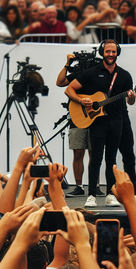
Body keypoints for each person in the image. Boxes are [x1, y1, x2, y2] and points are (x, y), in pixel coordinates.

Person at [64, 39, 135, 207]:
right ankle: (91, 195)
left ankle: (111, 194)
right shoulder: (92, 72)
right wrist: (82, 101)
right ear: (102, 52)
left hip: (117, 120)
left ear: (117, 52)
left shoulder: (124, 75)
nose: (110, 54)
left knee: (111, 159)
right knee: (96, 157)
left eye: (113, 51)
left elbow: (131, 103)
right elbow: (69, 89)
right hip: (98, 121)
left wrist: (132, 98)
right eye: (107, 51)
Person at [57, 53, 89, 197]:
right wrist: (67, 63)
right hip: (77, 116)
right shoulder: (76, 74)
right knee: (78, 152)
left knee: (96, 153)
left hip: (96, 116)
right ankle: (79, 186)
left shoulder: (97, 72)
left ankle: (95, 185)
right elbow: (60, 82)